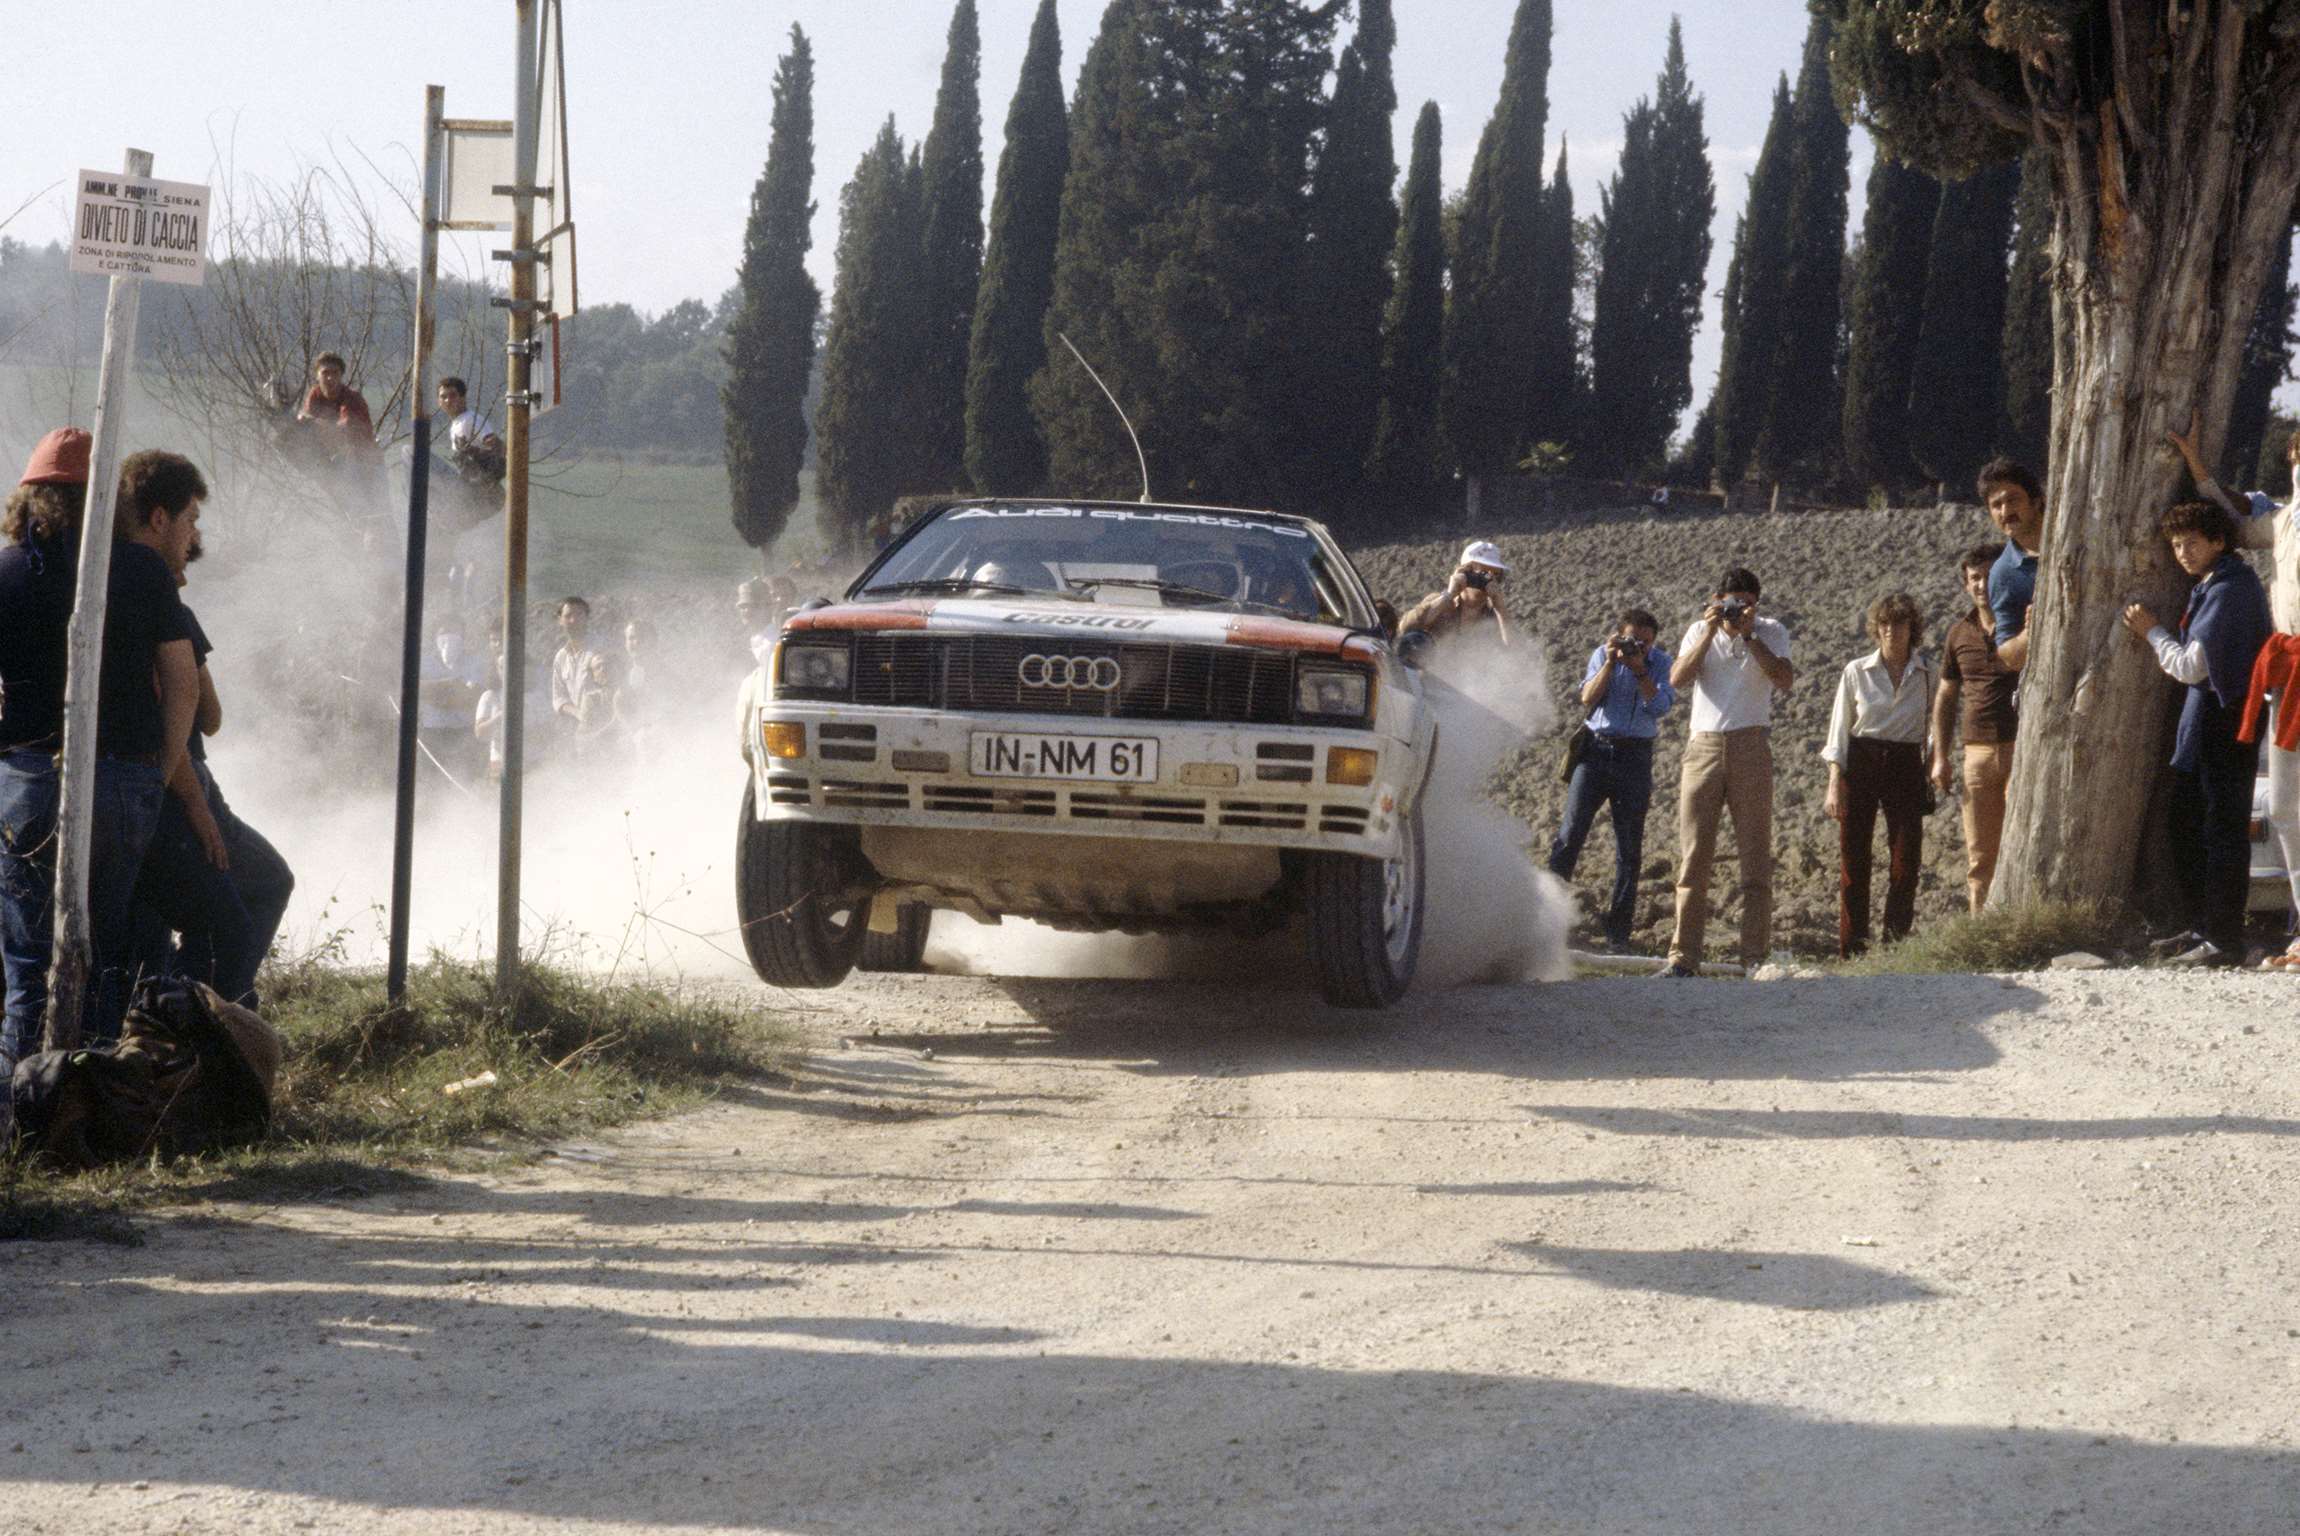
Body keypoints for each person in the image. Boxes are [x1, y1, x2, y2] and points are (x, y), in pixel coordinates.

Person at [0, 438, 201, 1066]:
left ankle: (18, 1108)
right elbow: (184, 684)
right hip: (123, 783)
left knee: (31, 965)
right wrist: (156, 775)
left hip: (31, 778)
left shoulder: (6, 571)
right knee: (103, 953)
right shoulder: (141, 569)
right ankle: (91, 1098)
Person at [130, 530, 297, 1011]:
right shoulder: (175, 617)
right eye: (182, 565)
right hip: (183, 787)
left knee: (154, 923)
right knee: (261, 888)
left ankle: (180, 1007)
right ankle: (207, 1011)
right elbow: (208, 718)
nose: (184, 579)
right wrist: (195, 803)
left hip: (137, 787)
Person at [2168, 415, 2300, 961]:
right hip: (2291, 673)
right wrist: (2196, 462)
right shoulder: (2285, 522)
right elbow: (2233, 519)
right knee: (2287, 808)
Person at [2123, 499, 2273, 967]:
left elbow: (2192, 667)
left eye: (2191, 543)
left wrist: (2152, 632)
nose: (2183, 553)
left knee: (2222, 829)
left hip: (2225, 720)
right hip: (2213, 720)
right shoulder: (2213, 584)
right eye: (2176, 545)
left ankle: (2223, 938)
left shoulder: (2230, 589)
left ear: (2218, 541)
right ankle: (2204, 926)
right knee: (2189, 823)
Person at [1660, 566, 1794, 978]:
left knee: (1755, 856)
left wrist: (1750, 636)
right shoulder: (1698, 631)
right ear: (1717, 601)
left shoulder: (1771, 631)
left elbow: (1784, 679)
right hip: (1703, 745)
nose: (1739, 609)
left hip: (1751, 744)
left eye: (1747, 603)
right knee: (1694, 856)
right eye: (1732, 602)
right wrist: (1708, 632)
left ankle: (1754, 956)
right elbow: (1677, 679)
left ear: (1757, 603)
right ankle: (1683, 957)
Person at [1547, 609, 1675, 951]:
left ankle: (1618, 935)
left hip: (1635, 756)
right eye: (1633, 640)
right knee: (1569, 835)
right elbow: (1587, 697)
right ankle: (1545, 923)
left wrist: (1640, 670)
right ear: (1619, 635)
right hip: (1595, 751)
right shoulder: (1602, 655)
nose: (1639, 647)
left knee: (1629, 848)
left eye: (1646, 643)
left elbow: (1660, 707)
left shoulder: (1661, 663)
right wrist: (1609, 663)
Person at [1823, 594, 1936, 958]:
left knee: (1906, 861)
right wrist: (1834, 782)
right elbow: (1839, 730)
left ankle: (1895, 947)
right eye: (1885, 623)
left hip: (1905, 764)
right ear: (1875, 628)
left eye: (1899, 623)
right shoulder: (1856, 671)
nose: (1891, 631)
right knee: (1854, 860)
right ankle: (1852, 951)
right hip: (1861, 761)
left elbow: (1936, 723)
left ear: (1912, 627)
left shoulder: (1928, 673)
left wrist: (1933, 764)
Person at [1930, 543, 2021, 913]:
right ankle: (1981, 926)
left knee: (2023, 843)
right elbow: (1946, 696)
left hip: (2022, 748)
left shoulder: (2024, 623)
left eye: (1989, 576)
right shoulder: (1958, 634)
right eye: (1975, 578)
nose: (1983, 585)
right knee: (1980, 853)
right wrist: (1940, 756)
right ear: (1966, 585)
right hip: (1977, 754)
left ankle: (2025, 924)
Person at [1978, 457, 2046, 672]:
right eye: (1996, 505)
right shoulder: (2003, 574)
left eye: (2013, 500)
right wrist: (2031, 631)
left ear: (2036, 501)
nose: (2006, 512)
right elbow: (2009, 657)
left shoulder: (2078, 537)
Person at [1398, 541, 1513, 649]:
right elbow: (1405, 628)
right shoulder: (1439, 605)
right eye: (1484, 574)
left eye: (1496, 576)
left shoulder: (1494, 616)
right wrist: (1448, 595)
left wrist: (1500, 607)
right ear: (1466, 572)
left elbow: (1516, 652)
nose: (1490, 580)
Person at [418, 618, 488, 780]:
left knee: (466, 777)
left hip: (464, 730)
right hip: (432, 730)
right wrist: (451, 683)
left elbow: (471, 694)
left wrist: (438, 695)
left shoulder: (475, 662)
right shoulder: (424, 662)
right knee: (431, 778)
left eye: (454, 633)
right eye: (444, 633)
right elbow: (418, 689)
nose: (449, 639)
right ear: (435, 637)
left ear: (463, 637)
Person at [295, 352, 377, 466]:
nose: (330, 378)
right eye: (325, 373)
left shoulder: (352, 398)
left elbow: (344, 429)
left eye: (335, 373)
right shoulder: (315, 394)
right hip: (334, 457)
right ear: (317, 376)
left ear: (341, 376)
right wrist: (302, 419)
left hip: (365, 462)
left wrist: (314, 423)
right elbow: (305, 417)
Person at [549, 595, 597, 734]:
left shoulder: (601, 649)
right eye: (568, 616)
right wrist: (578, 713)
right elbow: (558, 697)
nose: (573, 620)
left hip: (602, 722)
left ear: (587, 618)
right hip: (576, 726)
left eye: (579, 615)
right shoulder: (561, 657)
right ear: (560, 620)